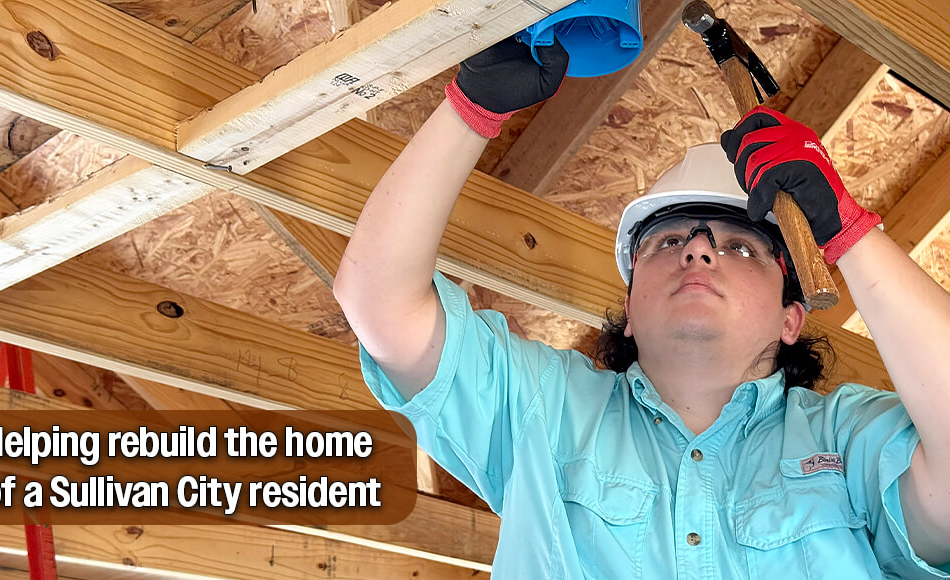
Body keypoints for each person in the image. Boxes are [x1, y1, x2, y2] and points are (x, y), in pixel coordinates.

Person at [332, 36, 950, 578]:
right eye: (671, 240)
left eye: (740, 247)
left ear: (792, 317)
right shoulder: (542, 412)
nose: (700, 253)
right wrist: (473, 107)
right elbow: (378, 302)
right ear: (630, 307)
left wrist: (848, 231)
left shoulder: (847, 442)